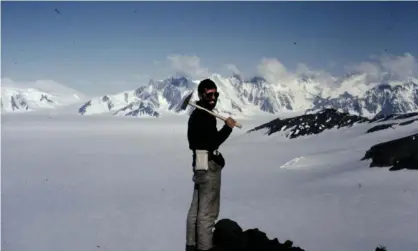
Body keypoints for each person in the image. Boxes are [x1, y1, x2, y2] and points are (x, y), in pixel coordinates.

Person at [185, 79, 236, 251]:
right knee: (207, 214)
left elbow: (194, 143)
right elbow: (213, 142)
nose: (213, 97)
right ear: (201, 95)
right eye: (209, 94)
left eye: (216, 94)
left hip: (199, 165)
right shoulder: (205, 116)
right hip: (209, 168)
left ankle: (191, 246)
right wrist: (228, 128)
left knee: (196, 210)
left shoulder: (195, 115)